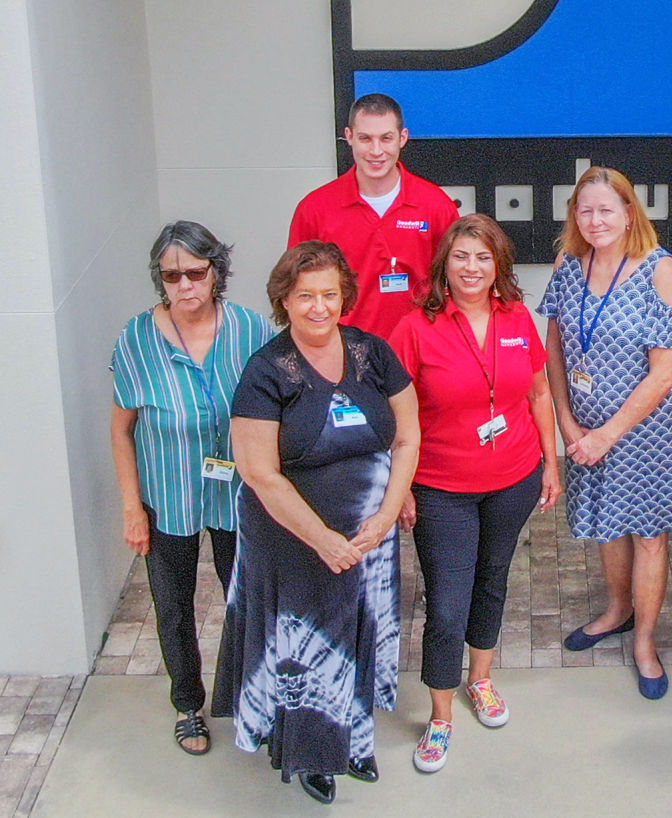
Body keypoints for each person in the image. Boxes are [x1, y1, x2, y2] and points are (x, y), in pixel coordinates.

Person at [211, 241, 420, 805]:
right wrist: (324, 540)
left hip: (368, 535)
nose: (320, 306)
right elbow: (260, 474)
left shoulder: (372, 353)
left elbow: (407, 436)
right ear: (285, 299)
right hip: (294, 539)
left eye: (330, 294)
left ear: (345, 296)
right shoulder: (265, 371)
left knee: (357, 629)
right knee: (305, 643)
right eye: (306, 296)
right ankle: (311, 757)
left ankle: (354, 740)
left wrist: (383, 515)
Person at [390, 215, 561, 773]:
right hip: (442, 487)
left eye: (483, 258)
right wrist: (403, 487)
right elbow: (397, 414)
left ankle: (480, 680)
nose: (471, 268)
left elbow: (538, 393)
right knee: (446, 602)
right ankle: (440, 714)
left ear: (498, 267)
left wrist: (549, 464)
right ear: (445, 264)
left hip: (512, 478)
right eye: (461, 256)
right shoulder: (416, 327)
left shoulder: (516, 318)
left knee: (492, 582)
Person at [538, 166, 672, 700]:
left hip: (649, 429)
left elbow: (666, 372)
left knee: (648, 534)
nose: (595, 220)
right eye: (585, 210)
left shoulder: (660, 269)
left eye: (606, 210)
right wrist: (567, 421)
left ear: (629, 212)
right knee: (608, 529)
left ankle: (645, 641)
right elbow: (555, 347)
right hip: (587, 427)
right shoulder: (568, 265)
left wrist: (605, 435)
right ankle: (616, 610)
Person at [110, 221, 274, 756]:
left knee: (244, 598)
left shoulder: (251, 330)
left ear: (216, 272)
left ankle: (251, 693)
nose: (184, 286)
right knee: (174, 605)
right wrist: (132, 507)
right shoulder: (136, 339)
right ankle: (188, 705)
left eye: (195, 273)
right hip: (168, 495)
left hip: (239, 493)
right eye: (171, 276)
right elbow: (121, 429)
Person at [287, 93, 459, 339]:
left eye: (386, 138)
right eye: (365, 139)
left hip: (421, 351)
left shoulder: (436, 205)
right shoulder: (314, 209)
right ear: (349, 137)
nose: (376, 151)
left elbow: (455, 284)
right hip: (344, 352)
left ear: (402, 138)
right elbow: (296, 289)